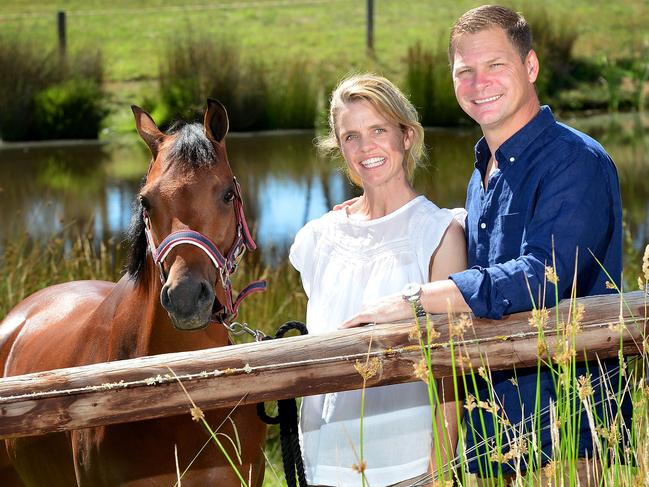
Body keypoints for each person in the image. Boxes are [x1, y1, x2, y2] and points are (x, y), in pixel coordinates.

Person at [341, 5, 632, 485]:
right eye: (465, 72)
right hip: (497, 438)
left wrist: (417, 299)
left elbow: (542, 275)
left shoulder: (574, 162)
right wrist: (373, 209)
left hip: (566, 437)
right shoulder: (484, 174)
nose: (480, 84)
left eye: (495, 65)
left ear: (531, 67)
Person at [289, 73, 467, 486]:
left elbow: (449, 368)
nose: (366, 147)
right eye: (350, 136)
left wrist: (439, 469)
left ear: (406, 136)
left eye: (378, 130)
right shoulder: (320, 237)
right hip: (324, 457)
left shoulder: (439, 234)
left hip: (405, 464)